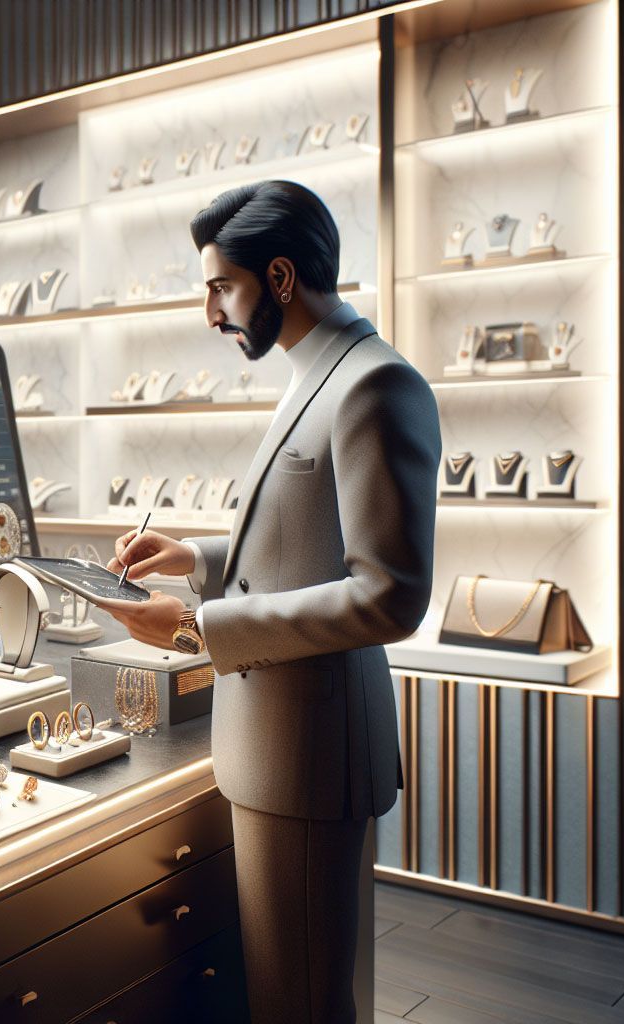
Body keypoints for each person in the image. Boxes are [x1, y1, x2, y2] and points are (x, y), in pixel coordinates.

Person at [102, 181, 440, 1022]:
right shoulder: (312, 374)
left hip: (311, 755)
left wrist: (195, 626)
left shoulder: (375, 384)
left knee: (306, 1002)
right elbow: (299, 548)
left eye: (221, 286)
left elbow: (389, 597)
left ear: (280, 277)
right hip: (278, 750)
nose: (210, 312)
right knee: (294, 993)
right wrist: (199, 559)